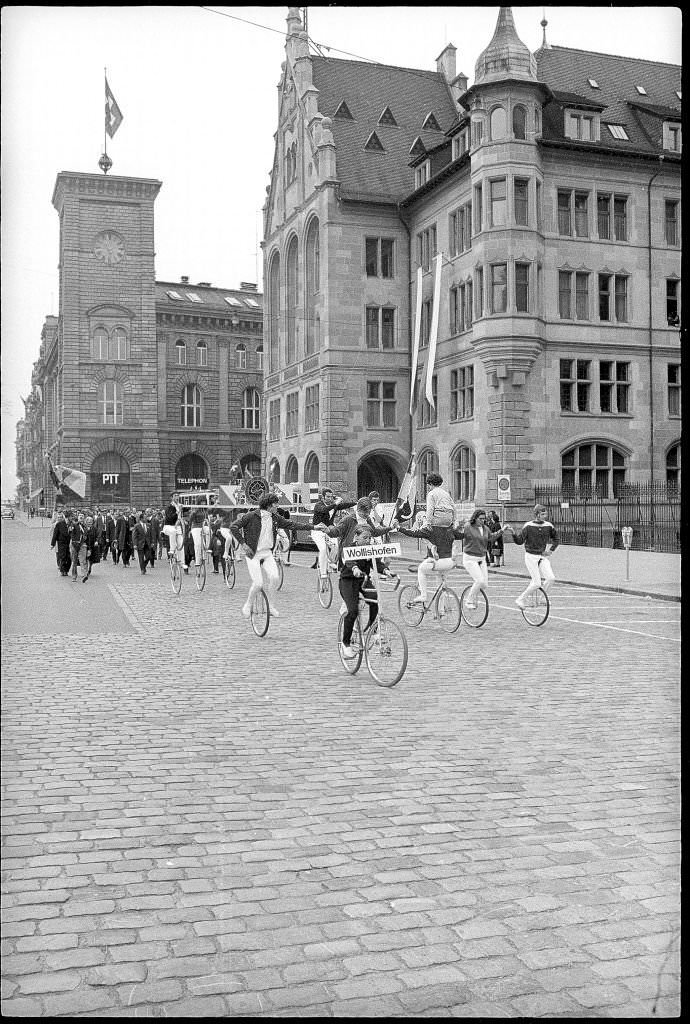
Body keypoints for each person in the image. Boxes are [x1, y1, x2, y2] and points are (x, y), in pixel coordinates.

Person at [315, 496, 392, 659]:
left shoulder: (368, 521)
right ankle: (347, 630)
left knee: (372, 599)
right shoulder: (348, 520)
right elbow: (336, 531)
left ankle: (372, 630)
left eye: (368, 512)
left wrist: (389, 528)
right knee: (352, 607)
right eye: (365, 512)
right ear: (359, 509)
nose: (366, 515)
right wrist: (327, 530)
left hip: (363, 562)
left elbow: (375, 532)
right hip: (348, 561)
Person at [231, 493, 293, 618]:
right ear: (269, 505)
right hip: (253, 554)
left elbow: (292, 524)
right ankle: (247, 606)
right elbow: (234, 527)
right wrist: (243, 544)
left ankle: (271, 606)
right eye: (276, 504)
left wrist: (314, 527)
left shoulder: (275, 518)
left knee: (275, 578)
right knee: (258, 583)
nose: (278, 506)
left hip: (267, 554)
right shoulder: (251, 516)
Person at [397, 514, 465, 605]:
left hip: (436, 562)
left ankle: (423, 595)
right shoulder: (449, 529)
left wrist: (399, 528)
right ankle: (440, 611)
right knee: (441, 587)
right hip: (449, 562)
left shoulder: (430, 528)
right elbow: (462, 535)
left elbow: (413, 533)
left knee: (421, 569)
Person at [504, 504, 559, 608]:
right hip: (531, 556)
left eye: (545, 514)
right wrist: (513, 533)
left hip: (542, 556)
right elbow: (520, 541)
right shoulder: (528, 526)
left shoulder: (548, 526)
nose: (545, 516)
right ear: (537, 515)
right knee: (537, 583)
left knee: (551, 578)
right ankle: (521, 599)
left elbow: (556, 539)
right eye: (542, 514)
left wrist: (550, 550)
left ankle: (542, 598)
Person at [454, 509, 506, 608]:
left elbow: (491, 537)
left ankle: (474, 594)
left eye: (484, 519)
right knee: (479, 581)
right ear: (475, 518)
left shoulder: (485, 528)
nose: (483, 521)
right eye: (480, 519)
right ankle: (469, 601)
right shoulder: (468, 527)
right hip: (470, 558)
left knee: (484, 585)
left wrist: (502, 531)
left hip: (481, 558)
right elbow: (459, 534)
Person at [310, 486, 357, 578]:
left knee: (336, 546)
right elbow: (324, 510)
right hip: (318, 531)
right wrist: (335, 503)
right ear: (322, 497)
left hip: (329, 530)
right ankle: (323, 572)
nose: (330, 498)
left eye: (331, 497)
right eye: (327, 497)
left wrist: (356, 503)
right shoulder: (319, 505)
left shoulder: (334, 505)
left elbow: (344, 505)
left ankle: (331, 562)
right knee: (323, 549)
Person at [50, 510, 71, 576]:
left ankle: (67, 570)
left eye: (69, 518)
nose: (68, 520)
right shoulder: (59, 524)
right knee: (62, 557)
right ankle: (62, 570)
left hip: (69, 543)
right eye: (67, 518)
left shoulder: (72, 524)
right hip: (61, 543)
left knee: (69, 558)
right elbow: (55, 534)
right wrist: (52, 544)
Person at [69, 511, 88, 582]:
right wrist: (70, 529)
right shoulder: (74, 525)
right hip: (74, 544)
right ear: (77, 517)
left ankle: (84, 575)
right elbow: (70, 532)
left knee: (83, 561)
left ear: (84, 517)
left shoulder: (85, 526)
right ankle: (74, 576)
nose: (81, 517)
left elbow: (87, 536)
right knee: (74, 561)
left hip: (82, 545)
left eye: (82, 516)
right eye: (79, 515)